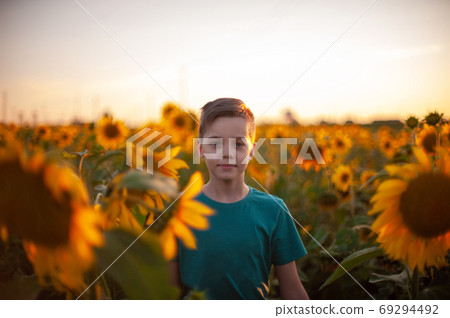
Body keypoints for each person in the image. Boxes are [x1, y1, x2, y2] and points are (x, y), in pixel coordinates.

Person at [169, 98, 309, 300]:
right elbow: (166, 295)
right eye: (215, 143)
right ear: (200, 149)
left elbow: (293, 292)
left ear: (251, 151)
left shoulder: (274, 210)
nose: (227, 153)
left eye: (239, 144)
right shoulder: (178, 210)